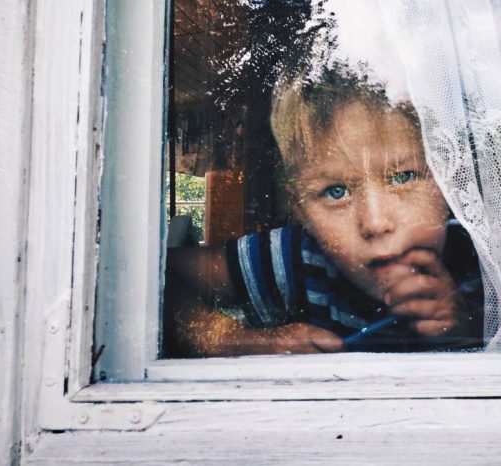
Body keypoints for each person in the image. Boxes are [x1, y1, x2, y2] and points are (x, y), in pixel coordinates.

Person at [164, 65, 483, 356]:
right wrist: (236, 341)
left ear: (448, 182)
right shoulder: (298, 258)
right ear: (301, 210)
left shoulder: (487, 265)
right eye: (336, 192)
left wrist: (463, 327)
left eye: (403, 177)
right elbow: (162, 278)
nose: (375, 222)